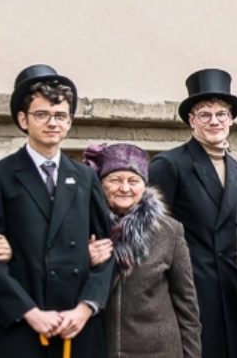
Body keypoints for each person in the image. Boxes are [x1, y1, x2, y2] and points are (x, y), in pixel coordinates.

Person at [0, 64, 114, 357]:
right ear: (23, 119)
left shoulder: (85, 177)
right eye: (42, 115)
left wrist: (84, 309)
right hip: (23, 325)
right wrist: (30, 312)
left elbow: (105, 251)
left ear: (69, 122)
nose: (52, 122)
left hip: (78, 324)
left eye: (60, 116)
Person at [149, 69, 237, 358]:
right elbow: (153, 234)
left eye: (221, 113)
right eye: (205, 114)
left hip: (232, 290)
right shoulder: (169, 164)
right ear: (192, 121)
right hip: (189, 289)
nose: (214, 121)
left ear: (231, 119)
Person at [83, 143, 203, 358]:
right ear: (101, 185)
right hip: (100, 348)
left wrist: (192, 354)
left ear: (144, 186)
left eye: (133, 181)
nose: (125, 188)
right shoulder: (83, 227)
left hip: (158, 350)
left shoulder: (169, 231)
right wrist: (85, 261)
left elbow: (187, 304)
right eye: (115, 180)